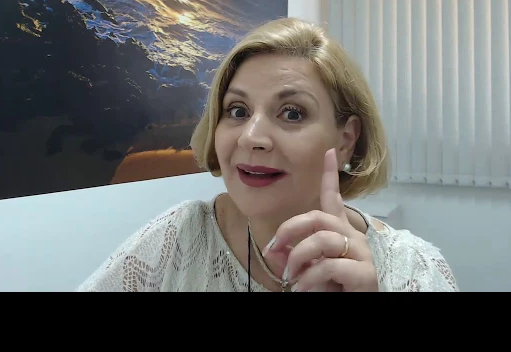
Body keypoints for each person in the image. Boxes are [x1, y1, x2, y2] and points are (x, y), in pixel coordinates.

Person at [76, 17, 459, 292]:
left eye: (292, 113)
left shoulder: (412, 271)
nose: (251, 137)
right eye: (237, 111)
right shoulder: (179, 239)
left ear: (346, 139)